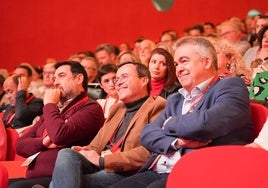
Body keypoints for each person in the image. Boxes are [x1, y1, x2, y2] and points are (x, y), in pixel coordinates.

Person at [109, 37, 254, 188]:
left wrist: (169, 123)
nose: (178, 69)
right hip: (159, 169)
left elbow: (205, 123)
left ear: (207, 62)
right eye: (176, 64)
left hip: (201, 171)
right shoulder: (176, 98)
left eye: (184, 61)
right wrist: (176, 142)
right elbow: (147, 134)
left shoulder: (230, 86)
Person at [50, 62, 166, 188]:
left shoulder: (157, 106)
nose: (118, 83)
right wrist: (85, 151)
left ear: (144, 80)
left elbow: (148, 152)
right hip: (101, 162)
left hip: (125, 170)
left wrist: (103, 160)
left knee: (61, 182)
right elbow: (96, 145)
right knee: (67, 153)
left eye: (124, 77)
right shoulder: (117, 109)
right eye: (117, 79)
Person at [8, 61, 105, 188]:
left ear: (79, 78)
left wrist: (49, 104)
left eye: (62, 76)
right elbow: (20, 145)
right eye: (55, 78)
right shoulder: (54, 110)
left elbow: (59, 135)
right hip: (35, 177)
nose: (56, 82)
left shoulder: (90, 108)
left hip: (61, 177)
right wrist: (44, 142)